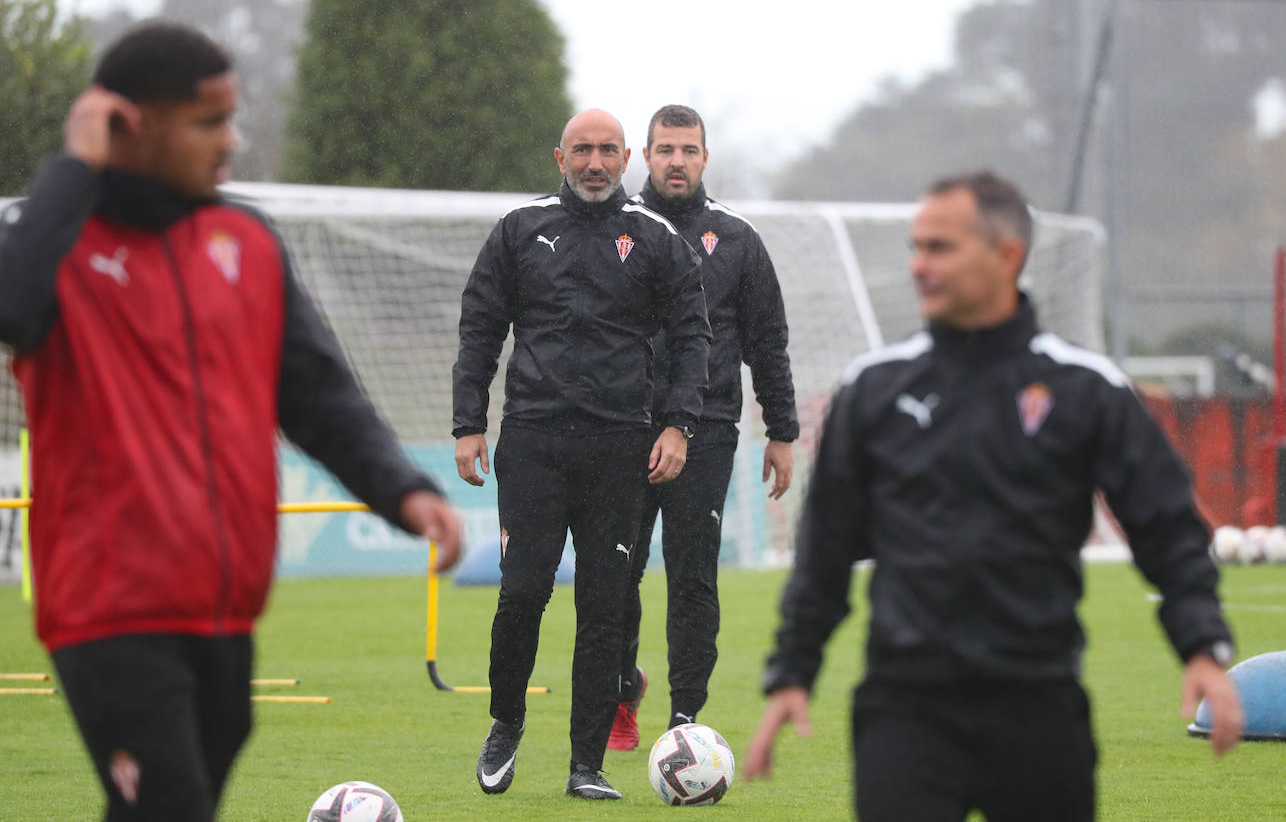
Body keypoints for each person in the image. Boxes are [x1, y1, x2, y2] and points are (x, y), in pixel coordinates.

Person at [0, 22, 463, 822]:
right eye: (209, 122)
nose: (232, 140)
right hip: (110, 609)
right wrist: (75, 164)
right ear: (132, 125)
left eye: (232, 117)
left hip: (222, 608)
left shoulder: (246, 240)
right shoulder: (56, 241)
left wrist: (404, 491)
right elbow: (11, 309)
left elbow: (316, 393)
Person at [742, 171, 1243, 821]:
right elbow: (825, 548)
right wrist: (792, 670)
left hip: (1039, 709)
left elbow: (1166, 525)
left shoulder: (1086, 388)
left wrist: (1201, 645)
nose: (919, 266)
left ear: (1007, 256)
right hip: (905, 714)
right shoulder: (874, 389)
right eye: (916, 247)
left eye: (940, 248)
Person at [452, 108, 710, 800]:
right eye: (582, 150)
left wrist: (678, 425)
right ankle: (506, 721)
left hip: (620, 447)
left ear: (627, 158)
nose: (595, 162)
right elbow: (480, 327)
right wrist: (467, 422)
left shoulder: (655, 238)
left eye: (607, 150)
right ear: (559, 156)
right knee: (524, 592)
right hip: (533, 441)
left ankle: (585, 765)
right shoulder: (518, 230)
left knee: (604, 606)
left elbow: (692, 339)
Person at [607, 105, 798, 750]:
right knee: (617, 573)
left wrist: (782, 430)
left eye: (688, 149)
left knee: (692, 575)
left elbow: (768, 341)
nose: (677, 161)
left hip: (709, 431)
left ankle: (686, 715)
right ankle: (620, 691)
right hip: (621, 428)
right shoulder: (611, 231)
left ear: (705, 157)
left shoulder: (736, 238)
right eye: (665, 150)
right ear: (646, 156)